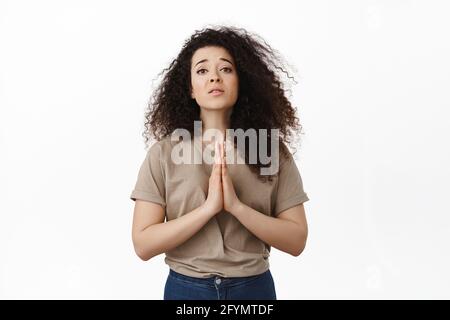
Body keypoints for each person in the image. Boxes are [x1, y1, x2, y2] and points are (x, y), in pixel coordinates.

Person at [130, 26, 310, 300]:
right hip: (186, 291)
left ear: (242, 80)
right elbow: (143, 244)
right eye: (202, 71)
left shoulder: (272, 151)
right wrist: (208, 209)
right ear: (190, 89)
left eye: (226, 69)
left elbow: (297, 240)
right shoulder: (163, 154)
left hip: (252, 290)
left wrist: (237, 207)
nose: (214, 77)